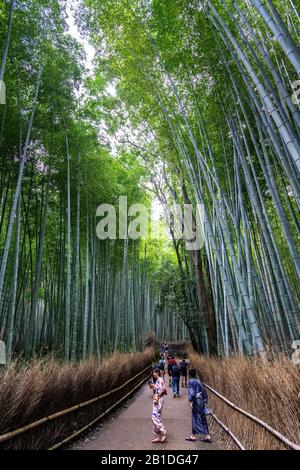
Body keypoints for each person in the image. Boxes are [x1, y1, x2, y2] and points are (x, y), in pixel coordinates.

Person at [186, 369, 212, 443]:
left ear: (189, 375)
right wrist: (205, 400)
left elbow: (192, 392)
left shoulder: (191, 381)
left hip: (196, 401)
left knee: (195, 417)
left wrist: (190, 401)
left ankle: (193, 436)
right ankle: (207, 435)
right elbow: (204, 391)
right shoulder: (199, 381)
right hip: (202, 401)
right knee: (203, 417)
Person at [149, 368, 167, 443]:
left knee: (155, 417)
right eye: (153, 373)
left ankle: (162, 430)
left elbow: (162, 390)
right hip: (157, 399)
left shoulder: (160, 380)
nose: (153, 374)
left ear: (157, 373)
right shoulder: (158, 380)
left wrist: (157, 394)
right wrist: (153, 386)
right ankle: (159, 436)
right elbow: (158, 388)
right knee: (156, 416)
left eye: (154, 372)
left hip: (159, 400)